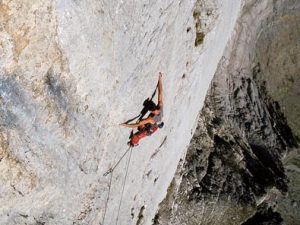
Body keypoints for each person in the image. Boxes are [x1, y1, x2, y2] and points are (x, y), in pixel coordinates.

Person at [120, 72, 164, 146]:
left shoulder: (149, 121)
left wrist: (126, 125)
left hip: (149, 128)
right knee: (159, 100)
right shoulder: (156, 114)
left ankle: (134, 142)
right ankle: (134, 142)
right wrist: (160, 79)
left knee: (141, 124)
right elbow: (160, 93)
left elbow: (137, 125)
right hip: (151, 126)